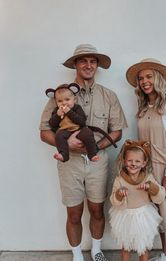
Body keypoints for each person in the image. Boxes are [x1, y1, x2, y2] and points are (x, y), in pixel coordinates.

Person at [40, 43, 128, 261]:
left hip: (98, 161)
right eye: (83, 61)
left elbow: (117, 132)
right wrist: (66, 144)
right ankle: (77, 255)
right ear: (75, 65)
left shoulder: (109, 96)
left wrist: (96, 147)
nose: (88, 65)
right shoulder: (60, 95)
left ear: (97, 66)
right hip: (69, 163)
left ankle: (96, 251)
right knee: (74, 212)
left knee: (97, 209)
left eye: (93, 61)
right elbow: (44, 132)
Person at [126, 58, 166, 261]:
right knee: (157, 219)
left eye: (149, 76)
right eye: (141, 78)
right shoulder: (142, 107)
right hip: (146, 171)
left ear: (157, 78)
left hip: (165, 169)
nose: (144, 81)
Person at [109, 139, 166, 261]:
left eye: (137, 161)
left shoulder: (147, 177)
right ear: (124, 161)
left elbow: (160, 196)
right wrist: (119, 194)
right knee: (125, 246)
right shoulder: (120, 179)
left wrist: (151, 187)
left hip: (143, 216)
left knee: (143, 247)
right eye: (130, 160)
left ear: (144, 163)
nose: (133, 164)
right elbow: (113, 200)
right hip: (125, 216)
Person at [46, 83, 99, 162]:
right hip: (65, 130)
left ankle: (92, 154)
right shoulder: (56, 110)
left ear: (74, 99)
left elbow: (82, 121)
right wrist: (57, 115)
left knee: (88, 133)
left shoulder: (77, 108)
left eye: (67, 99)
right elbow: (52, 125)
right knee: (58, 136)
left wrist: (69, 112)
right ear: (56, 102)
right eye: (60, 101)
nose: (64, 103)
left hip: (79, 129)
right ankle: (63, 155)